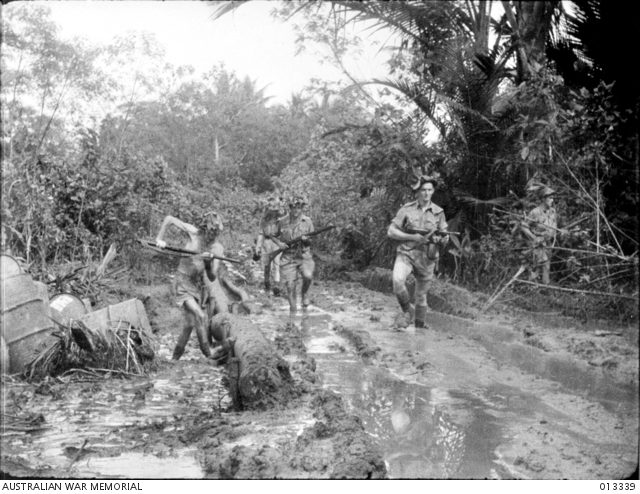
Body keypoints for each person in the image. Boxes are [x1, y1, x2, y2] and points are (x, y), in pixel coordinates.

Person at [155, 211, 224, 360]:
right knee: (199, 315)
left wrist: (207, 264)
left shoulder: (217, 248)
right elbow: (169, 218)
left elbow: (212, 277)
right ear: (205, 228)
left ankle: (174, 359)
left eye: (216, 233)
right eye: (211, 231)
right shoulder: (193, 233)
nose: (212, 236)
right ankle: (208, 354)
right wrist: (159, 239)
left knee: (189, 324)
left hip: (197, 286)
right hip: (181, 281)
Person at [387, 175, 449, 329]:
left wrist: (442, 239)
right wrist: (412, 236)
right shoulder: (406, 209)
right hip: (407, 253)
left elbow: (444, 234)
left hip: (427, 257)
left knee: (421, 297)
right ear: (417, 192)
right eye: (423, 190)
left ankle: (419, 329)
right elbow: (391, 231)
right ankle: (408, 312)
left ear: (433, 191)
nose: (426, 193)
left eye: (429, 190)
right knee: (397, 281)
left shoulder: (438, 212)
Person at [272, 194, 315, 324]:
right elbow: (273, 235)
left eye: (298, 208)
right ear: (289, 208)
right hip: (288, 256)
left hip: (304, 255)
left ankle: (305, 294)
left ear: (302, 208)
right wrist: (279, 244)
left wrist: (306, 241)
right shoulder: (282, 221)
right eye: (293, 208)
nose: (296, 210)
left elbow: (311, 241)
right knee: (290, 286)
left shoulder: (307, 221)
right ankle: (293, 312)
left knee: (308, 276)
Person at [520, 186, 560, 285]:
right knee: (539, 265)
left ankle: (544, 287)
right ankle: (534, 288)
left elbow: (554, 225)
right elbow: (524, 226)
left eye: (552, 197)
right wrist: (534, 238)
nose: (552, 200)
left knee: (547, 265)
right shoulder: (535, 212)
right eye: (550, 198)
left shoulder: (552, 211)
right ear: (543, 199)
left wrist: (554, 233)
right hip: (538, 244)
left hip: (549, 243)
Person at [254, 195, 285, 296]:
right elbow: (261, 234)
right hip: (266, 243)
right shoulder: (263, 221)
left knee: (277, 264)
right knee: (267, 265)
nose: (272, 212)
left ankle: (276, 285)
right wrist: (258, 247)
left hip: (276, 242)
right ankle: (267, 283)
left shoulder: (280, 221)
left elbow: (283, 233)